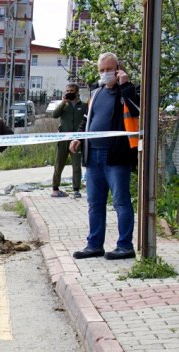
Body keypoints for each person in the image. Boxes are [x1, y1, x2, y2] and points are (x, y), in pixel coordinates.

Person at [69, 52, 140, 260]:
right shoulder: (96, 92)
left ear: (118, 69)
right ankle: (94, 245)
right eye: (102, 70)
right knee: (95, 203)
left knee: (120, 202)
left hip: (116, 157)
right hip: (93, 157)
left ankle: (125, 246)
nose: (105, 73)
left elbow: (137, 110)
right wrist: (79, 138)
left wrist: (125, 85)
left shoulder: (128, 90)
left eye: (109, 69)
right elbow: (87, 119)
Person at [51, 83, 87, 198]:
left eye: (72, 91)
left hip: (76, 140)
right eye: (67, 90)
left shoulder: (84, 106)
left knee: (76, 165)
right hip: (63, 139)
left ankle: (76, 189)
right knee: (59, 164)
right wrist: (63, 103)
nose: (69, 92)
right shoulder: (63, 105)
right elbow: (54, 115)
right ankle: (55, 188)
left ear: (77, 92)